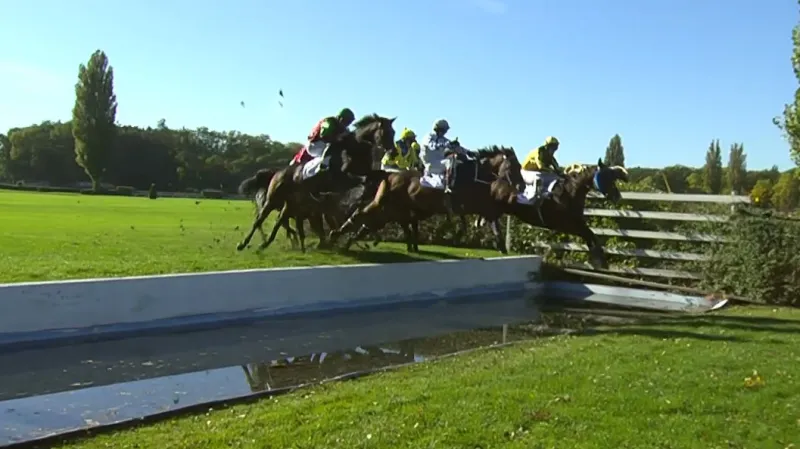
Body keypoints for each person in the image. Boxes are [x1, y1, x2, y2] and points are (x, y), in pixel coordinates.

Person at [306, 107, 356, 172]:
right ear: (341, 118)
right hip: (314, 145)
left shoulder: (343, 128)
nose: (348, 124)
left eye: (350, 122)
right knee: (333, 146)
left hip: (323, 144)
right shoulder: (329, 121)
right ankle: (323, 166)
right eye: (347, 121)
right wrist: (339, 137)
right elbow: (324, 136)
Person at [521, 136, 563, 201]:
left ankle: (548, 193)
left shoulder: (550, 156)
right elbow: (540, 166)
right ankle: (532, 197)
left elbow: (556, 167)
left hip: (537, 172)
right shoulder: (539, 151)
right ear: (547, 146)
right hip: (526, 171)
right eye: (553, 147)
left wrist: (562, 174)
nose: (554, 150)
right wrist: (552, 171)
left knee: (556, 178)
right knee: (538, 178)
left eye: (555, 148)